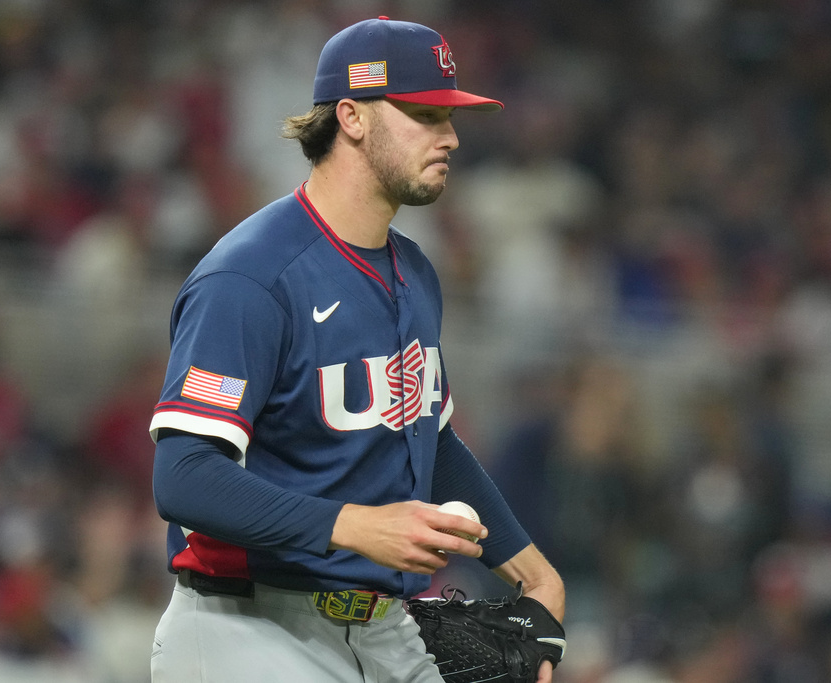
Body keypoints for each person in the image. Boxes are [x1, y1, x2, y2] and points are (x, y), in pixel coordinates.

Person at [147, 16, 565, 683]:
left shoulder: (417, 272)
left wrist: (533, 570)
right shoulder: (251, 277)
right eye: (426, 114)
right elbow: (185, 476)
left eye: (450, 116)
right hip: (248, 626)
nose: (451, 136)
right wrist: (353, 525)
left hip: (380, 624)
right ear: (351, 116)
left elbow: (436, 443)